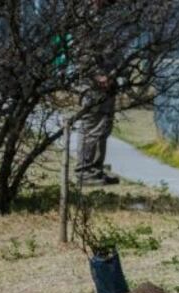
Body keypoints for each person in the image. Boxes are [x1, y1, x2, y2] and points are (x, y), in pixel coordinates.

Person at [75, 0, 120, 186]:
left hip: (108, 80)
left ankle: (96, 169)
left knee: (103, 127)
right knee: (91, 127)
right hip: (93, 84)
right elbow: (83, 52)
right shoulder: (85, 18)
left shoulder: (105, 16)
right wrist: (97, 75)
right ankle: (84, 171)